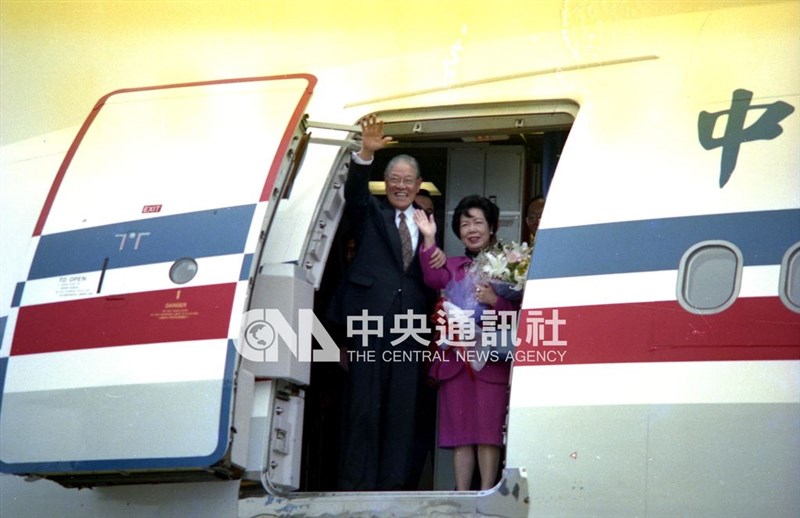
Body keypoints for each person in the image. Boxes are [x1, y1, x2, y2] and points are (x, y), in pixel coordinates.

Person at [329, 114, 445, 490]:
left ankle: (396, 485)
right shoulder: (371, 216)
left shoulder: (427, 224)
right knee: (363, 406)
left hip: (408, 329)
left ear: (417, 184)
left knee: (403, 410)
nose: (400, 186)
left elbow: (432, 276)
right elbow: (355, 195)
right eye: (394, 179)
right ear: (387, 183)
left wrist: (432, 248)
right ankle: (356, 484)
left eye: (407, 180)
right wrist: (365, 153)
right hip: (369, 324)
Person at [413, 194, 519, 491]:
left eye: (478, 222)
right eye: (464, 224)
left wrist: (495, 300)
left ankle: (487, 491)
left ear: (492, 226)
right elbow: (433, 277)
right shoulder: (452, 264)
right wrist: (430, 239)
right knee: (460, 433)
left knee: (488, 430)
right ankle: (462, 495)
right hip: (455, 359)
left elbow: (519, 313)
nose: (471, 229)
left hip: (491, 360)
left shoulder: (509, 266)